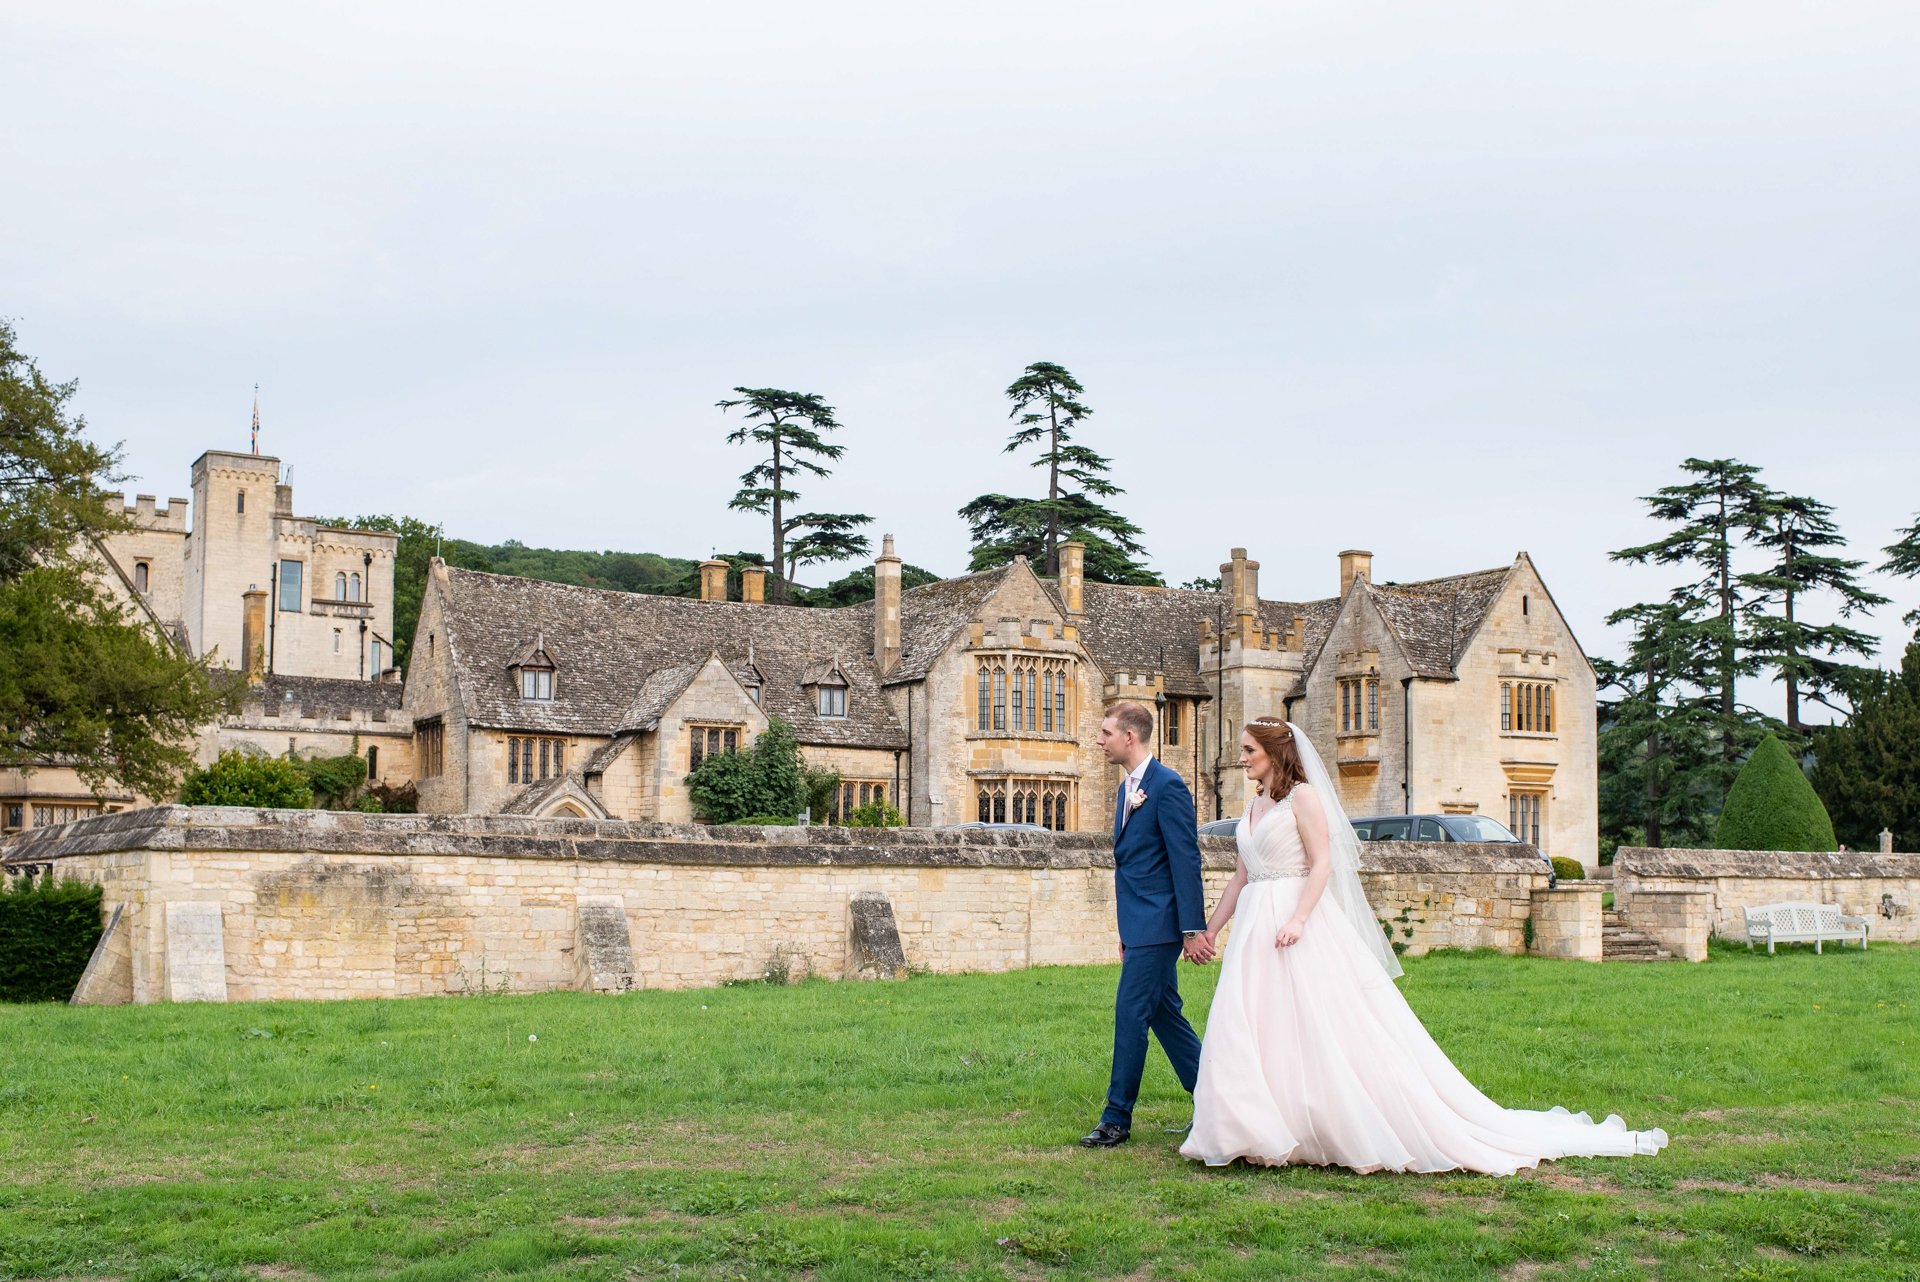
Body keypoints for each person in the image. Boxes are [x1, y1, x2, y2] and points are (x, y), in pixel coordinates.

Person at [1180, 718, 1668, 1174]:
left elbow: (1323, 864)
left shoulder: (1303, 799)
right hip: (1253, 925)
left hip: (1293, 917)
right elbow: (1240, 878)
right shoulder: (1251, 806)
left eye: (1248, 750)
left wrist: (1300, 919)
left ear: (1274, 753)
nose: (1241, 758)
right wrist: (1212, 929)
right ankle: (1254, 1125)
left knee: (1316, 1021)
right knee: (1253, 1020)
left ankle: (1325, 1121)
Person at [1079, 701, 1214, 1148]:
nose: (1099, 740)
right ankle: (1218, 1102)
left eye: (1105, 733)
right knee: (1163, 1015)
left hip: (1161, 926)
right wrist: (1125, 930)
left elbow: (1185, 860)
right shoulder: (1125, 792)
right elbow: (1134, 865)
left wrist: (1192, 929)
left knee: (1130, 1012)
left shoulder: (1168, 786)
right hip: (1139, 926)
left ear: (1129, 737)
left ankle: (1117, 1118)